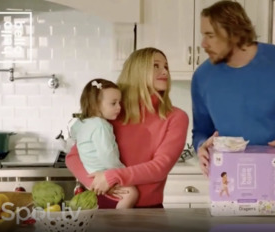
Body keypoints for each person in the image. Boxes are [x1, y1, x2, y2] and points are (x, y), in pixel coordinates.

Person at [191, 1, 275, 207]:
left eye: (210, 35)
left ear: (233, 33)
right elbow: (200, 131)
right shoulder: (202, 77)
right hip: (227, 194)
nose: (203, 44)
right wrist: (201, 147)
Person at [66, 47, 189, 208]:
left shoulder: (176, 117)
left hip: (147, 211)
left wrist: (112, 177)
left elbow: (160, 168)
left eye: (166, 66)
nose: (164, 71)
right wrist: (94, 183)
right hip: (99, 203)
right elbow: (73, 156)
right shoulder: (113, 111)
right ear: (137, 70)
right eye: (156, 66)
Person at [71, 78, 138, 209]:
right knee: (131, 193)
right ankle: (119, 223)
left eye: (120, 102)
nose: (119, 107)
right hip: (104, 172)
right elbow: (107, 155)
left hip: (90, 173)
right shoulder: (101, 125)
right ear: (95, 104)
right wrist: (122, 171)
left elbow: (73, 138)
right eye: (113, 103)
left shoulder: (80, 122)